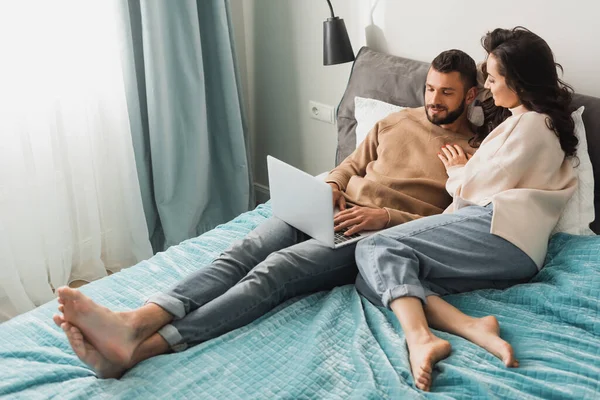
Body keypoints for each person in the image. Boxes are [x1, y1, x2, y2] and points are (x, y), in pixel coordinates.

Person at [52, 50, 482, 379]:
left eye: (446, 92)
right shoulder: (394, 123)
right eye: (430, 88)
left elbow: (449, 222)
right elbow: (350, 165)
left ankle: (145, 348)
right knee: (243, 250)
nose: (434, 100)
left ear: (470, 95)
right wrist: (331, 186)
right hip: (330, 208)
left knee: (275, 270)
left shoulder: (474, 154)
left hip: (373, 237)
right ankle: (138, 320)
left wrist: (386, 216)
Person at [353, 26, 578, 392]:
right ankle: (471, 326)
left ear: (518, 82)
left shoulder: (533, 125)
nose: (487, 87)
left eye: (492, 78)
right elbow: (494, 174)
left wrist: (459, 168)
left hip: (501, 229)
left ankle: (420, 339)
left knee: (375, 247)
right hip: (507, 242)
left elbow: (480, 186)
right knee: (375, 279)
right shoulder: (523, 123)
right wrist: (473, 165)